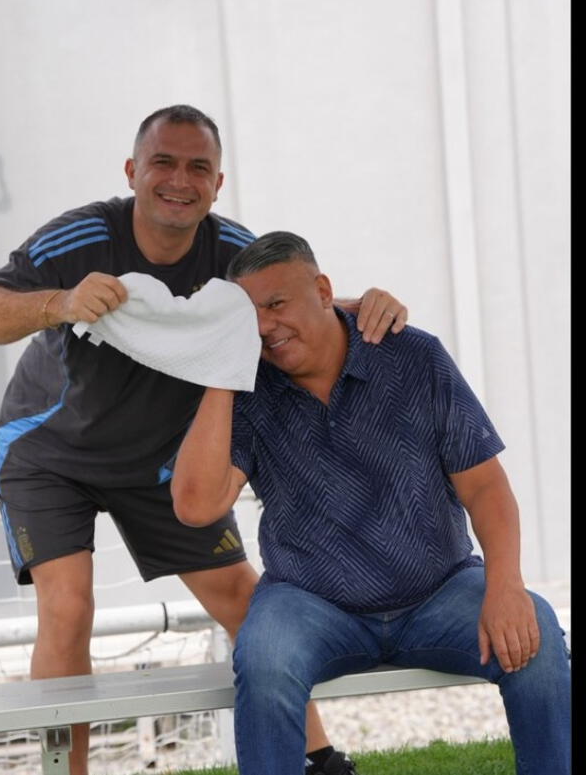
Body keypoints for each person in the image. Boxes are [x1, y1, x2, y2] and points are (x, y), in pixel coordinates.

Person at [0, 106, 408, 775]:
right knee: (69, 604)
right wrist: (60, 302)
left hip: (161, 461)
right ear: (134, 171)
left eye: (198, 166)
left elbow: (297, 302)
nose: (179, 178)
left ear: (217, 183)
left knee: (243, 596)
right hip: (51, 453)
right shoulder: (81, 236)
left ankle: (318, 759)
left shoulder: (235, 252)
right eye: (163, 161)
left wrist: (367, 301)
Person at [171, 230, 571, 775]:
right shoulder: (247, 386)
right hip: (311, 604)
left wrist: (506, 587)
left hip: (439, 592)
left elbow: (485, 486)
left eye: (276, 304)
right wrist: (223, 367)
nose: (264, 326)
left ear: (324, 290)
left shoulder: (414, 356)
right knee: (263, 658)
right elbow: (196, 507)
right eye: (249, 316)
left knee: (538, 636)